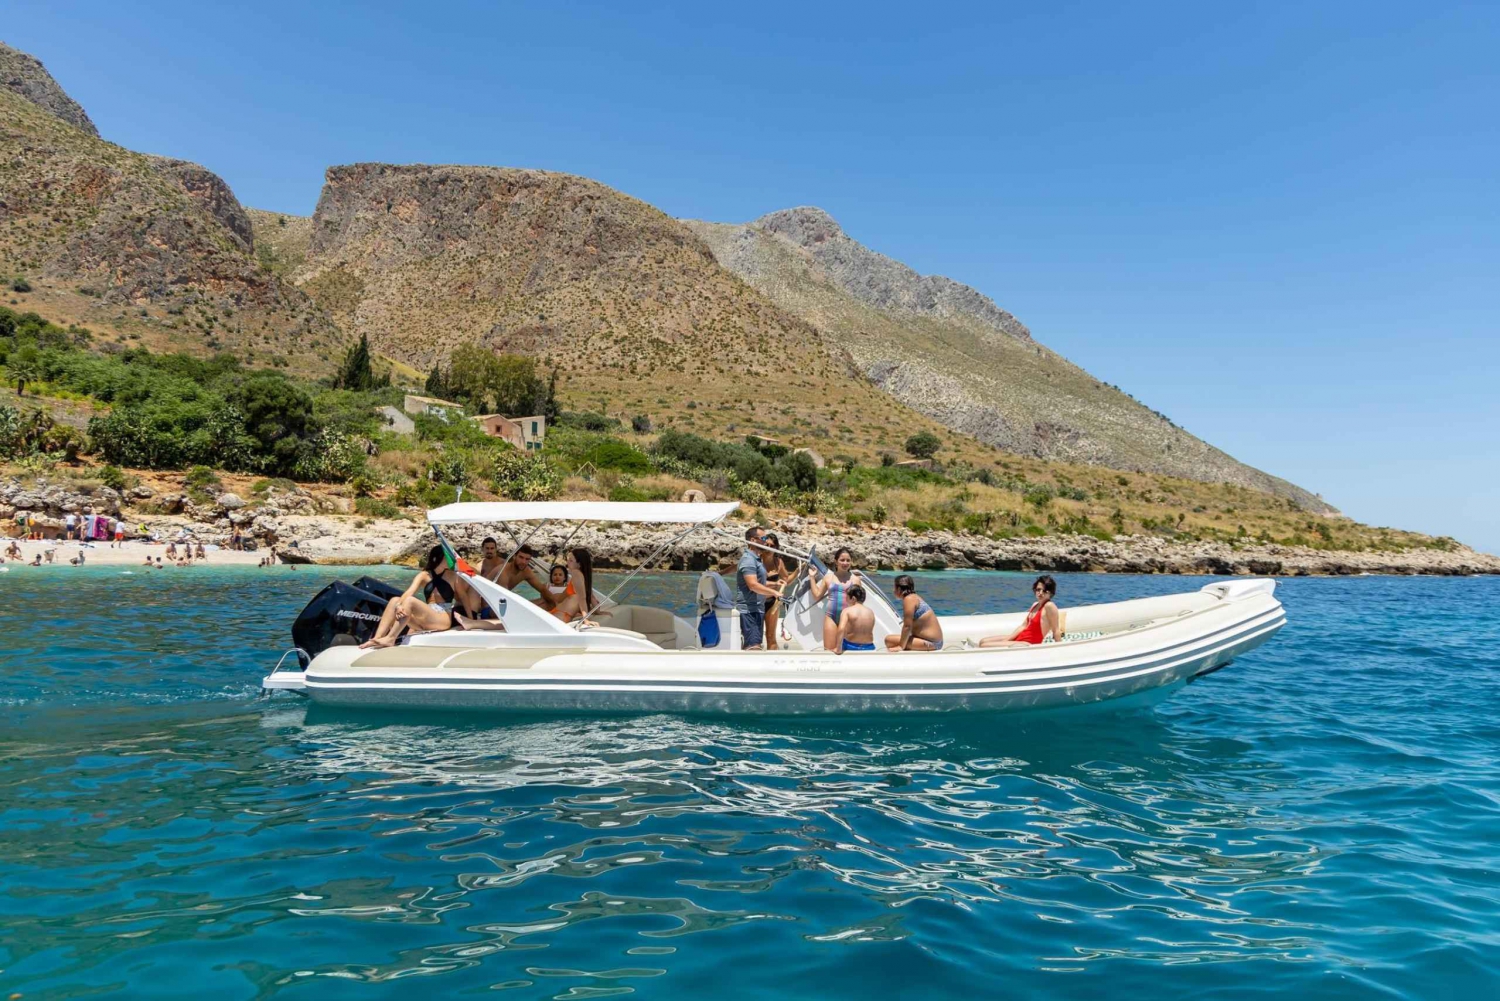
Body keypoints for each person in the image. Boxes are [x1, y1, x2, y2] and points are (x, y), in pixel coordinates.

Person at [360, 545, 471, 648]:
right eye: (447, 557)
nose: (450, 560)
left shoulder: (453, 576)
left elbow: (463, 597)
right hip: (424, 618)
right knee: (395, 600)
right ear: (437, 558)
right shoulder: (424, 575)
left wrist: (471, 620)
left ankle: (391, 638)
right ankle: (377, 638)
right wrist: (399, 605)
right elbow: (409, 591)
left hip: (442, 618)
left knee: (410, 601)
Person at [979, 575, 1062, 648]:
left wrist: (1059, 650)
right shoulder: (1035, 605)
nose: (1040, 593)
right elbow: (1023, 626)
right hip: (1020, 638)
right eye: (1038, 590)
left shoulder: (1049, 606)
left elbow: (1056, 630)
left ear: (1050, 593)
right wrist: (1008, 639)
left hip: (1027, 643)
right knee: (983, 641)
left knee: (983, 645)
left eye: (1044, 591)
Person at [734, 527, 781, 650]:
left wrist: (775, 584)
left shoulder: (756, 559)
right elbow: (753, 585)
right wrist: (774, 592)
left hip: (756, 609)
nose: (766, 541)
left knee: (754, 645)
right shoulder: (749, 560)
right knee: (753, 648)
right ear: (753, 540)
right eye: (763, 538)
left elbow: (760, 582)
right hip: (750, 611)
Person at [481, 540, 558, 611]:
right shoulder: (503, 571)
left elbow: (542, 589)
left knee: (546, 602)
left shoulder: (526, 571)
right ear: (514, 556)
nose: (523, 562)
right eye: (521, 557)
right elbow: (504, 599)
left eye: (527, 559)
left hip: (504, 604)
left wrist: (556, 604)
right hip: (490, 608)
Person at [808, 548, 857, 652]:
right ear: (836, 561)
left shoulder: (855, 580)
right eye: (842, 560)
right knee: (829, 651)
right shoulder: (828, 578)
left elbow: (859, 604)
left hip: (849, 618)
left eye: (848, 560)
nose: (845, 563)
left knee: (847, 651)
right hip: (831, 617)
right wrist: (812, 577)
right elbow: (817, 595)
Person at [885, 574, 945, 651]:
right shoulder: (914, 597)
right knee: (893, 639)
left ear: (899, 589)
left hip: (931, 643)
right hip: (932, 641)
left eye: (894, 587)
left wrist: (901, 646)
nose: (893, 590)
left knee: (889, 640)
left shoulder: (909, 599)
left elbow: (907, 626)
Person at [549, 548, 600, 626]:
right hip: (561, 614)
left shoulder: (576, 574)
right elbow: (591, 597)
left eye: (571, 560)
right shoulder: (583, 577)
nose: (567, 562)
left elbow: (582, 599)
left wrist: (586, 619)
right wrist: (598, 612)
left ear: (579, 564)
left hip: (561, 615)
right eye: (568, 559)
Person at [760, 532, 793, 650]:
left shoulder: (778, 562)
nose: (768, 548)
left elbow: (786, 580)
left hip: (772, 603)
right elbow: (754, 583)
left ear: (776, 548)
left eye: (771, 546)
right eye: (766, 545)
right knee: (756, 638)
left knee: (770, 637)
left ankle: (773, 663)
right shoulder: (756, 560)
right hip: (756, 603)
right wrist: (721, 573)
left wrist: (799, 570)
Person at [835, 584, 877, 654]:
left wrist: (838, 648)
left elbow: (841, 629)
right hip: (869, 646)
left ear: (853, 598)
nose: (846, 600)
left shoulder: (847, 611)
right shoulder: (870, 612)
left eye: (847, 597)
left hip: (851, 646)